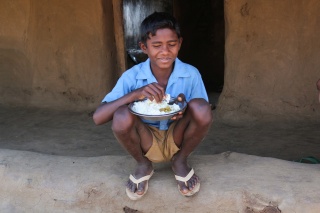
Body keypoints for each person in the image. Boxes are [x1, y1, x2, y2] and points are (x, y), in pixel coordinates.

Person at [93, 12, 213, 200]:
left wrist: (184, 108)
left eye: (171, 45)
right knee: (122, 114)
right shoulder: (132, 76)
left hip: (177, 135)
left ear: (179, 44)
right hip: (145, 138)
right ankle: (143, 164)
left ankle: (180, 160)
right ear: (144, 47)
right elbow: (98, 117)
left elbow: (202, 112)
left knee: (201, 107)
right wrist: (134, 94)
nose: (165, 51)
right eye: (157, 46)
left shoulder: (191, 74)